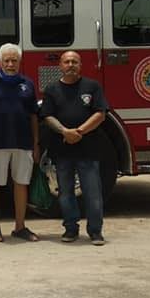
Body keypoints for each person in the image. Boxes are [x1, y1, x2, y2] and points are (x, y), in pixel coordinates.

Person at [40, 50, 110, 245]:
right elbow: (47, 116)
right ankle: (71, 229)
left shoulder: (92, 87)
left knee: (93, 193)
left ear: (80, 66)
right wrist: (64, 132)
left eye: (74, 62)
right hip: (62, 151)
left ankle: (95, 232)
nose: (70, 65)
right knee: (66, 194)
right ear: (60, 66)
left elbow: (100, 114)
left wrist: (78, 132)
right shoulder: (52, 89)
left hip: (88, 149)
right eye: (67, 62)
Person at [0, 43, 40, 242]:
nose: (11, 64)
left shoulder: (28, 84)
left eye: (14, 60)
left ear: (20, 61)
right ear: (0, 61)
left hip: (23, 143)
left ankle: (20, 227)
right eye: (7, 60)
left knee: (21, 184)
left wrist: (36, 143)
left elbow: (33, 116)